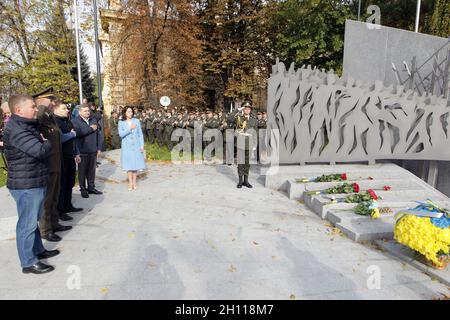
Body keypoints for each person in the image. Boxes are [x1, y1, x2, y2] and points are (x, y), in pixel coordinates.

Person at [3, 94, 59, 274]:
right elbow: (39, 150)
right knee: (26, 224)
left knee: (32, 221)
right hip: (26, 185)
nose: (36, 109)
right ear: (19, 110)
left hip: (33, 180)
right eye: (32, 107)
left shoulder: (24, 125)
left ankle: (37, 250)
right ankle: (28, 263)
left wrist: (43, 140)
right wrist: (47, 142)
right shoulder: (17, 129)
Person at [35, 92, 72, 242]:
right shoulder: (40, 116)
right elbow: (37, 121)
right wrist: (42, 105)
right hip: (48, 164)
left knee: (55, 196)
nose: (52, 103)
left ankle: (55, 223)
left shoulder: (50, 117)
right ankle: (46, 230)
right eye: (49, 101)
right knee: (47, 200)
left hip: (57, 163)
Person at [53, 101, 83, 221]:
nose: (67, 110)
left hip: (71, 156)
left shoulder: (68, 121)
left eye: (67, 108)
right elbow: (60, 138)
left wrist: (77, 153)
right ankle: (61, 211)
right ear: (55, 110)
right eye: (64, 108)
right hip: (61, 157)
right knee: (62, 185)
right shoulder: (55, 122)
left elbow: (74, 139)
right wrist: (71, 134)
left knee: (70, 182)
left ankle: (68, 205)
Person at [72, 104, 103, 198]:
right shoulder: (75, 121)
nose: (88, 112)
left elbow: (98, 134)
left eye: (88, 111)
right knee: (82, 171)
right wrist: (90, 129)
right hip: (82, 150)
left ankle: (91, 187)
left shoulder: (93, 120)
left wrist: (99, 147)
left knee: (91, 170)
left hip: (93, 149)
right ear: (80, 112)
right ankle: (83, 189)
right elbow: (77, 133)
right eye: (85, 111)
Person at [119, 107, 146, 190]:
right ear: (125, 113)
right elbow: (121, 134)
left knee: (135, 165)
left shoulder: (136, 121)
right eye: (128, 111)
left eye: (131, 112)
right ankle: (130, 183)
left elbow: (140, 134)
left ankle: (134, 182)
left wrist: (142, 146)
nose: (130, 113)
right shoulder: (121, 122)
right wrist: (130, 128)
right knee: (129, 166)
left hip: (136, 145)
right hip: (127, 146)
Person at [235, 100, 257, 189]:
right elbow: (230, 120)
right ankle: (240, 181)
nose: (247, 110)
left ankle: (246, 180)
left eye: (249, 109)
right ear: (243, 109)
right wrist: (237, 110)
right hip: (241, 143)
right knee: (240, 162)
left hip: (250, 144)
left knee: (247, 163)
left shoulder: (254, 120)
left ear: (250, 110)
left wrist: (255, 144)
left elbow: (256, 132)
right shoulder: (239, 118)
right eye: (245, 109)